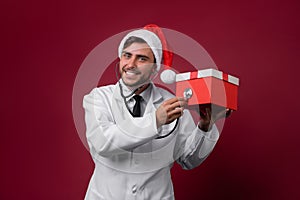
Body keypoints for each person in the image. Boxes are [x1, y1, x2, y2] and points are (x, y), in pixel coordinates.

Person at [83, 24, 231, 200]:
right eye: (127, 55)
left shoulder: (170, 102)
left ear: (155, 68)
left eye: (141, 59)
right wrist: (155, 120)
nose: (130, 64)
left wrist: (205, 125)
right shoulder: (99, 98)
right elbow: (103, 143)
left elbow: (188, 160)